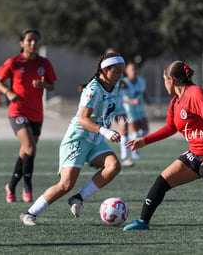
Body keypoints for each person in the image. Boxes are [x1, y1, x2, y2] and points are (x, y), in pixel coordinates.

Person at [123, 61, 203, 230]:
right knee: (162, 181)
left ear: (171, 80)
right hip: (196, 154)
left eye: (164, 80)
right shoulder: (175, 102)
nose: (164, 83)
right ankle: (143, 221)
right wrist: (146, 140)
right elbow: (170, 127)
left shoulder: (195, 93)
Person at [19, 52, 125, 226]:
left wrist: (121, 122)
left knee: (114, 166)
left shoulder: (114, 86)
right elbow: (83, 120)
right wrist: (106, 132)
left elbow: (110, 110)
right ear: (105, 70)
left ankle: (78, 198)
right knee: (66, 184)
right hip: (78, 139)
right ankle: (29, 213)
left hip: (94, 139)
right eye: (117, 72)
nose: (119, 76)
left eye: (122, 72)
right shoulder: (93, 90)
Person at [0, 28, 57, 203]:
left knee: (26, 150)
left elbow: (52, 85)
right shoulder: (14, 62)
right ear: (22, 43)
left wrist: (43, 85)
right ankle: (27, 186)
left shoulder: (44, 63)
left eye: (35, 40)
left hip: (36, 112)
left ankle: (11, 185)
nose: (33, 43)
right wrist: (8, 92)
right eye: (29, 40)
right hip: (18, 110)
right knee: (30, 147)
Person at [121, 62, 150, 163]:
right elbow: (121, 98)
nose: (134, 71)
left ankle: (128, 141)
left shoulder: (141, 80)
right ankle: (133, 150)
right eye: (131, 69)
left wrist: (147, 100)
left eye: (135, 69)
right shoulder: (124, 83)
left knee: (145, 131)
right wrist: (131, 101)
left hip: (140, 109)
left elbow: (143, 91)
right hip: (129, 110)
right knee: (136, 132)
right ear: (127, 71)